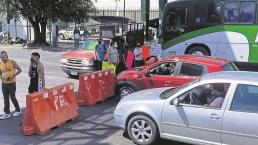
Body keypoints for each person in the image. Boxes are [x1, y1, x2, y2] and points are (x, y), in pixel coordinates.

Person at [0, 51, 22, 119]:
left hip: (12, 83)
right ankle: (7, 113)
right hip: (4, 84)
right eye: (0, 57)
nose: (2, 58)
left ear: (7, 56)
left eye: (3, 57)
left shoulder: (12, 62)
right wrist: (1, 77)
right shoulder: (0, 64)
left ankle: (18, 110)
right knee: (5, 99)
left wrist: (13, 76)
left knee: (12, 97)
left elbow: (19, 70)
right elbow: (0, 73)